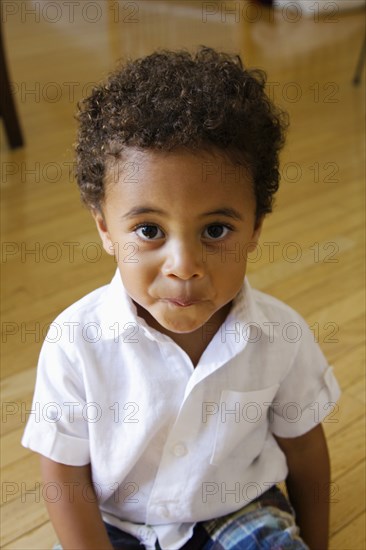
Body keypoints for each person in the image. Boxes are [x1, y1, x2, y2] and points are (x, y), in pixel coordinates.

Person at [22, 47, 341, 550]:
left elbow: (305, 453)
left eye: (216, 229)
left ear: (255, 227)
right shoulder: (75, 343)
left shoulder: (281, 335)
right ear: (105, 227)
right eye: (149, 229)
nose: (184, 264)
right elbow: (64, 479)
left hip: (237, 511)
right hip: (115, 525)